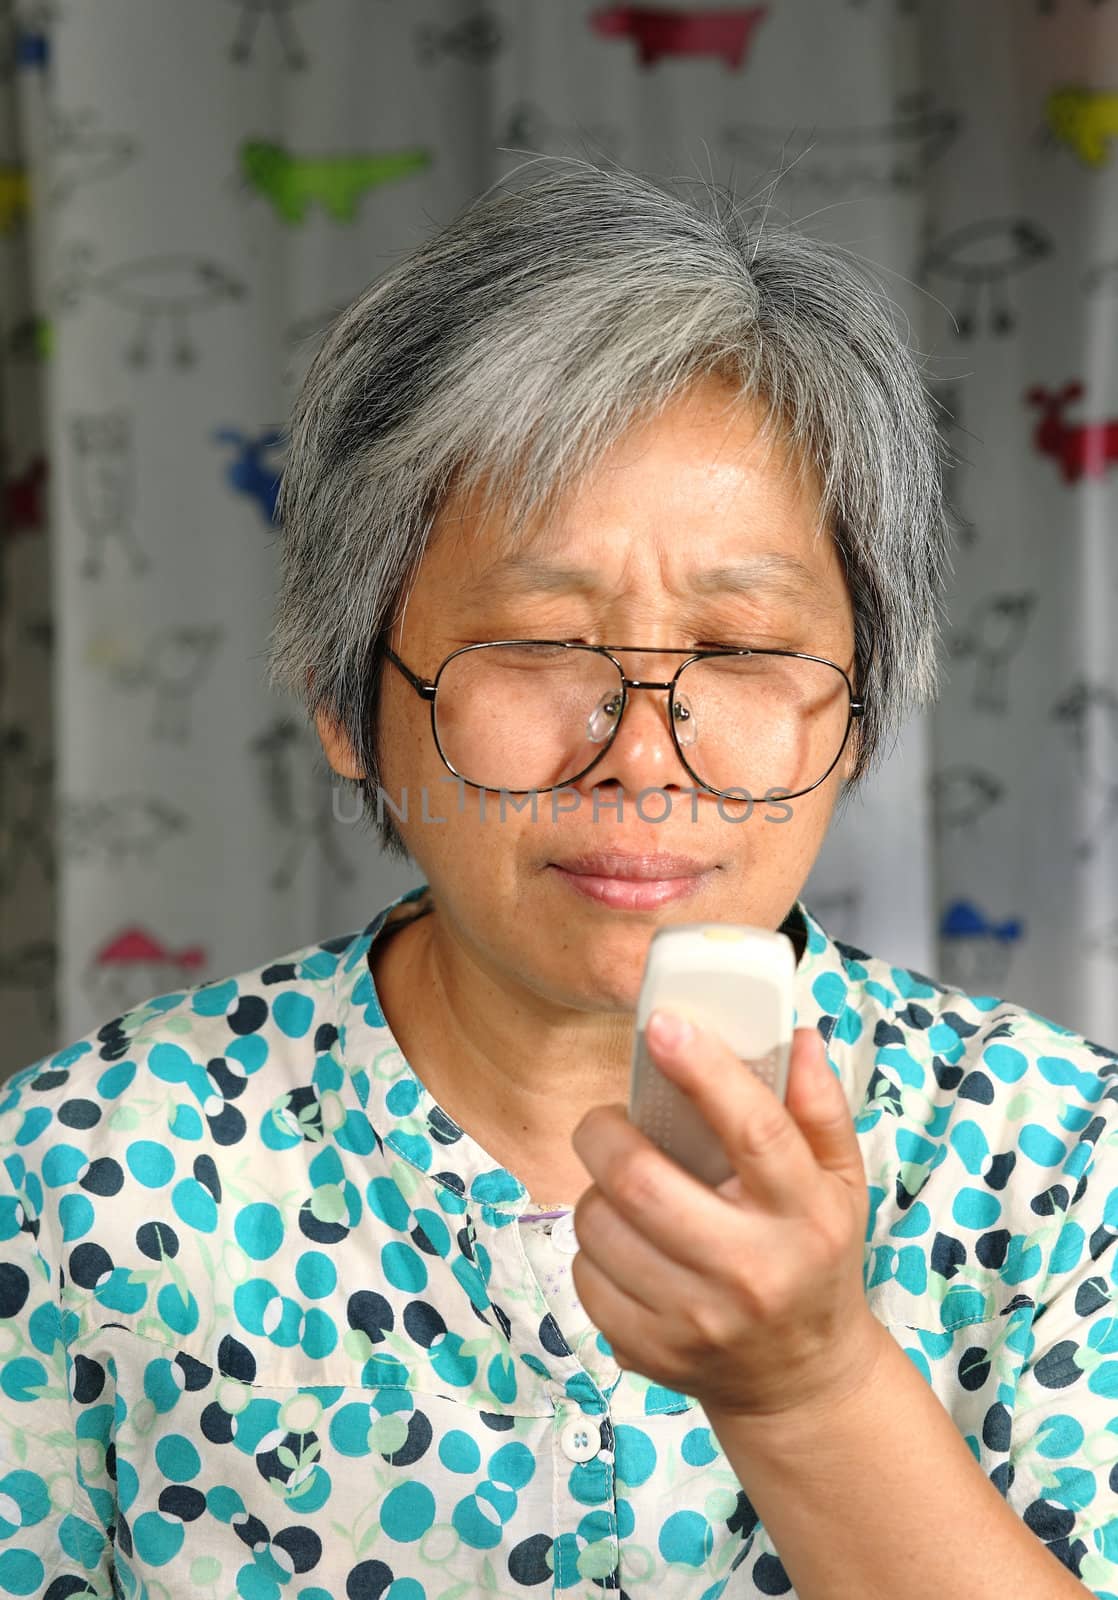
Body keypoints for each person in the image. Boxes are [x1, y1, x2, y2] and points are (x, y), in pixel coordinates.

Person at [1, 157, 1114, 1600]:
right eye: (534, 646)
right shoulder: (69, 1181)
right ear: (351, 701)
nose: (644, 756)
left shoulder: (1065, 1164)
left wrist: (811, 1391)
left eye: (738, 651)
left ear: (857, 712)